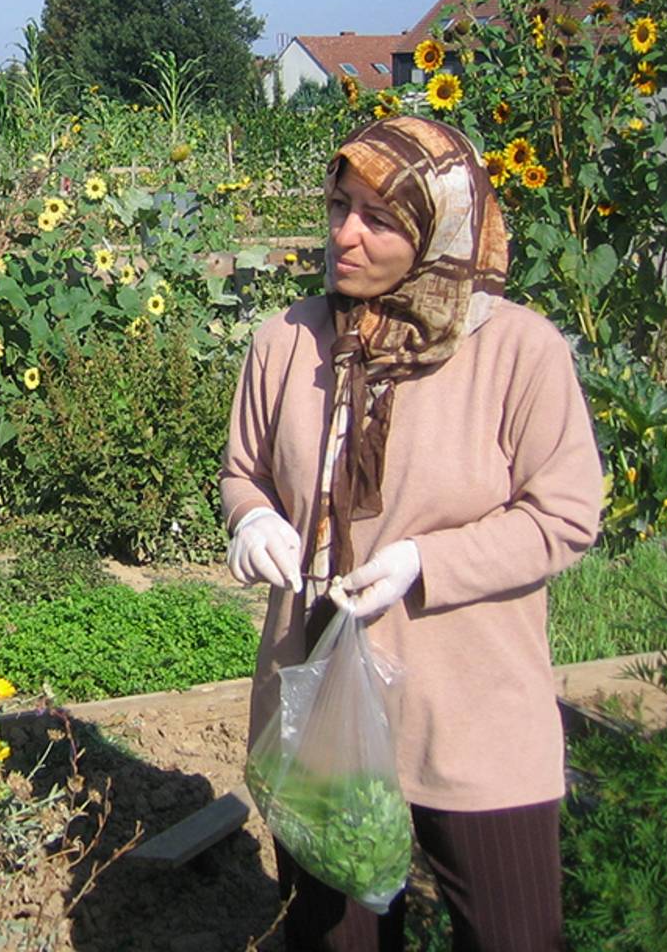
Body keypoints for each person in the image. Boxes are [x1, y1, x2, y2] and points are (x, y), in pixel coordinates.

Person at [221, 115, 603, 951]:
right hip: (320, 705)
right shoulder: (288, 341)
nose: (344, 235)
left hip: (469, 705)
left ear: (440, 230)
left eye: (379, 218)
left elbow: (566, 514)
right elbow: (244, 470)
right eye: (338, 204)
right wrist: (251, 518)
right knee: (335, 939)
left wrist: (424, 561)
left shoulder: (517, 354)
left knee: (512, 934)